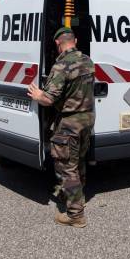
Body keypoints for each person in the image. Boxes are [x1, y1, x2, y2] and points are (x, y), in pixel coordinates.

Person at [27, 27, 95, 228]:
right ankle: (76, 197)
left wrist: (39, 94)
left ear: (58, 43)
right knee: (78, 161)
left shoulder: (61, 66)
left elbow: (49, 99)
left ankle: (75, 215)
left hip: (69, 123)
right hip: (87, 120)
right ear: (75, 40)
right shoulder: (88, 61)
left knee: (67, 167)